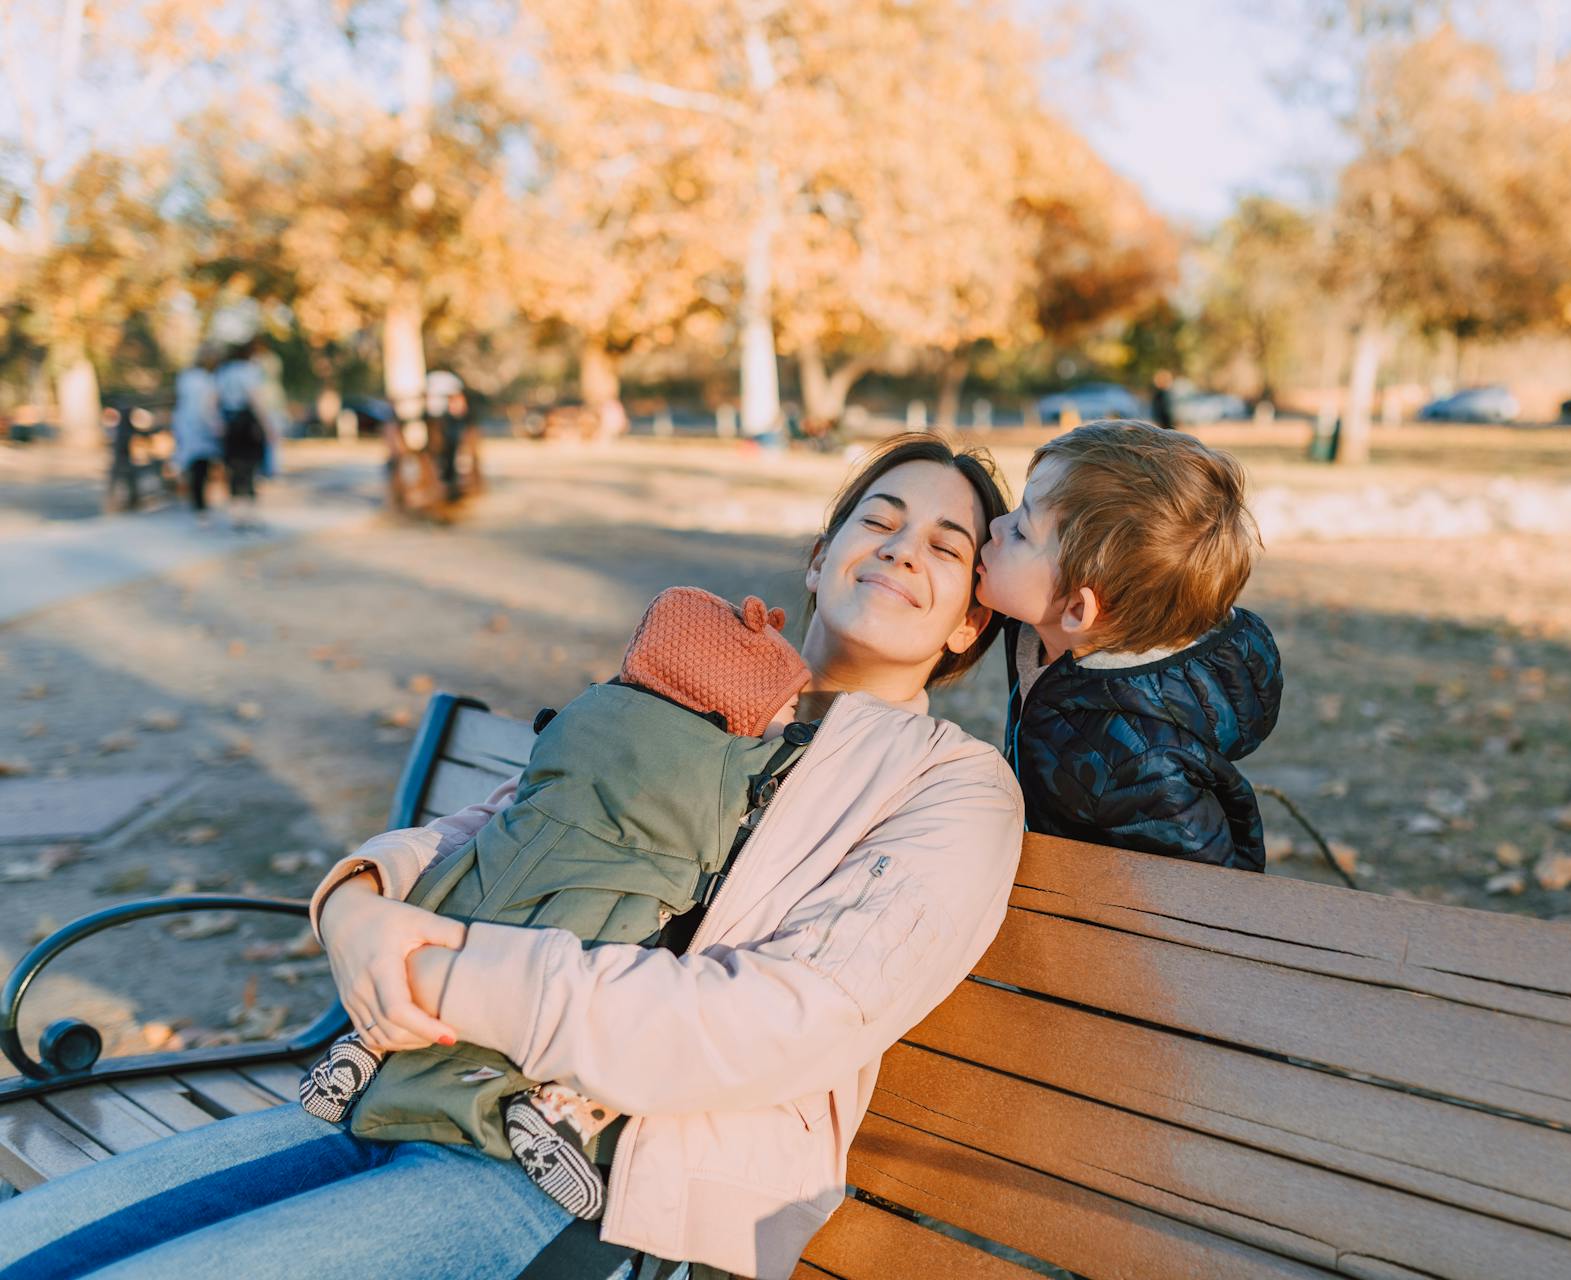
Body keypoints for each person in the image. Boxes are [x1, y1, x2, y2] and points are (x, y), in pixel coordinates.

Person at [0, 434, 1021, 1280]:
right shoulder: (690, 687)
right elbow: (496, 821)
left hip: (593, 1175)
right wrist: (358, 904)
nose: (899, 548)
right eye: (877, 518)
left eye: (944, 542)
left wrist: (445, 970)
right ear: (819, 553)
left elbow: (778, 1021)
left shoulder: (951, 787)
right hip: (404, 1082)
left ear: (972, 613)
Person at [297, 587, 815, 1224]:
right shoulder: (738, 765)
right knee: (607, 987)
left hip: (495, 874)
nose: (791, 716)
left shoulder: (590, 713)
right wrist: (351, 905)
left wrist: (359, 897)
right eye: (783, 704)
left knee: (459, 928)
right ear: (733, 702)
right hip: (613, 906)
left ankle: (365, 1051)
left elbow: (516, 804)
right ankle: (558, 1107)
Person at [975, 419, 1283, 871]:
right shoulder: (1055, 636)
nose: (996, 527)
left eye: (1022, 531)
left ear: (1079, 611)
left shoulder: (1140, 765)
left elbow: (1209, 897)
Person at [215, 340, 271, 531]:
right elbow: (256, 400)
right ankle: (249, 515)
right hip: (247, 425)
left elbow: (215, 398)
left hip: (229, 423)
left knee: (234, 469)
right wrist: (268, 427)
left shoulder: (223, 372)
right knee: (250, 469)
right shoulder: (249, 371)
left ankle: (236, 516)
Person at [172, 347, 223, 528]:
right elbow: (207, 407)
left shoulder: (185, 377)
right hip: (201, 428)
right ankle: (202, 510)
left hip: (184, 424)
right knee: (202, 469)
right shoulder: (208, 380)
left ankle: (197, 505)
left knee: (193, 467)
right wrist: (216, 425)